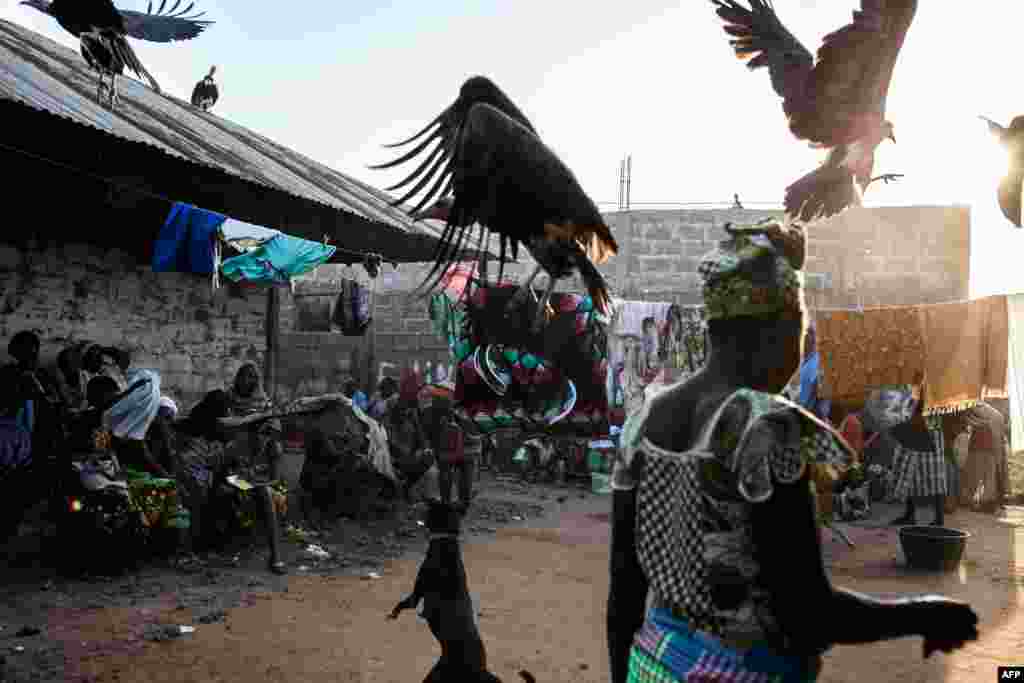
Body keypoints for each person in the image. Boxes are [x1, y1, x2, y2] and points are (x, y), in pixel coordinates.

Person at [606, 220, 978, 683]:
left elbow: (623, 594)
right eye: (800, 328)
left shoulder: (643, 420)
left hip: (654, 666)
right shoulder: (765, 425)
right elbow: (807, 614)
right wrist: (924, 613)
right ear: (779, 330)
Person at [889, 394, 948, 527]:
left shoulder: (932, 390)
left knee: (935, 478)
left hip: (930, 431)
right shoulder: (911, 392)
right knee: (910, 476)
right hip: (915, 429)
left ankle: (939, 518)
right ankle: (910, 515)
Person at [226, 361, 284, 481]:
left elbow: (274, 422)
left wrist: (269, 427)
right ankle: (237, 483)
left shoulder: (262, 400)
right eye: (246, 375)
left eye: (253, 377)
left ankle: (273, 483)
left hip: (259, 442)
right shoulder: (228, 397)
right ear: (239, 377)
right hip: (236, 439)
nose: (249, 380)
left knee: (275, 447)